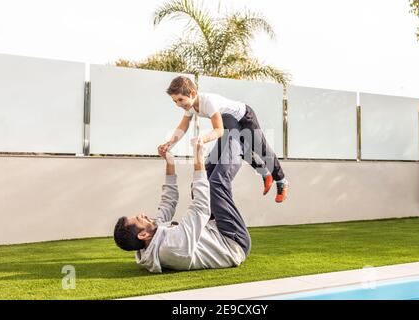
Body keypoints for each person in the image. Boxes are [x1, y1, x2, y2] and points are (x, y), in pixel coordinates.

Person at [113, 131, 251, 273]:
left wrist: (169, 161)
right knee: (215, 185)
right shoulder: (170, 247)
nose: (141, 214)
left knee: (202, 183)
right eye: (138, 218)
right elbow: (200, 208)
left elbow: (168, 202)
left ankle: (228, 134)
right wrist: (198, 157)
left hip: (214, 231)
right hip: (232, 242)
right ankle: (243, 142)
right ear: (143, 235)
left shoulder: (152, 236)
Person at [159, 75, 288, 203]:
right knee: (239, 151)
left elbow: (219, 130)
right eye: (175, 101)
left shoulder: (208, 102)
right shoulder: (189, 106)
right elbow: (183, 125)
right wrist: (170, 143)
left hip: (244, 117)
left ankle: (281, 181)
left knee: (260, 148)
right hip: (229, 123)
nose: (178, 104)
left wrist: (204, 138)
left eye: (180, 100)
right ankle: (265, 174)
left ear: (192, 93)